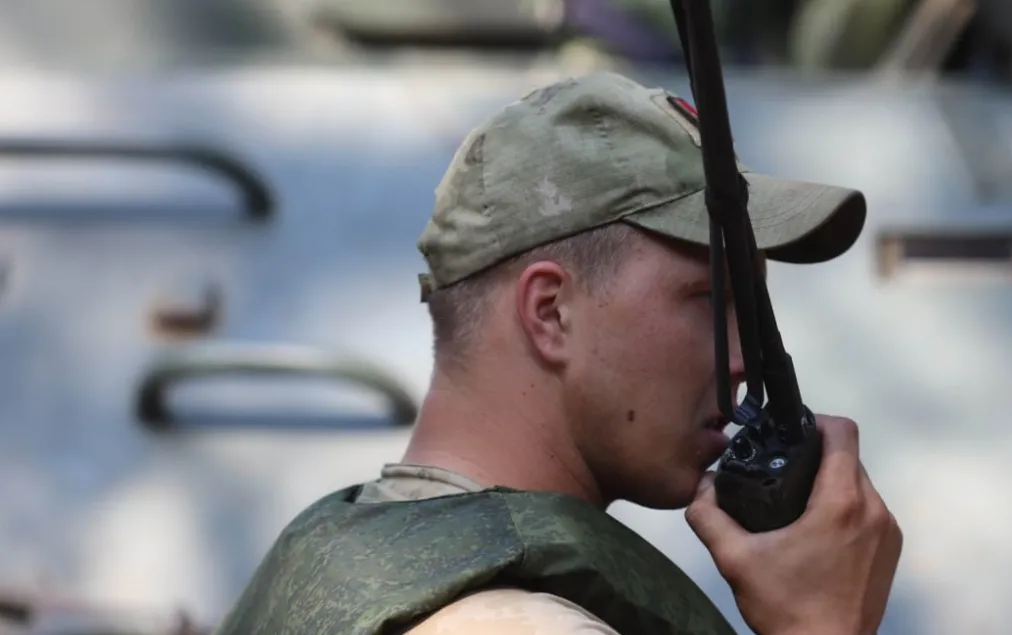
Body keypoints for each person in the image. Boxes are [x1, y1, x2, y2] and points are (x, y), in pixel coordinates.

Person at [209, 71, 903, 635]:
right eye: (707, 300)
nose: (744, 359)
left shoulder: (344, 549)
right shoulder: (509, 622)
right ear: (550, 312)